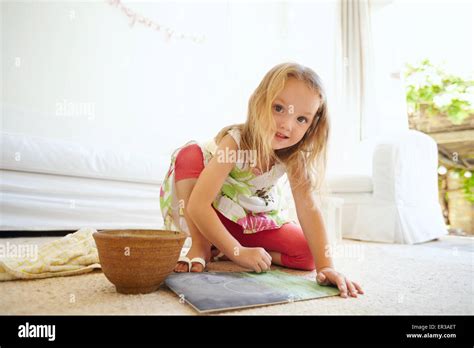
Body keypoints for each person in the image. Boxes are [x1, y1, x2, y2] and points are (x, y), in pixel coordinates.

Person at [160, 62, 364, 298]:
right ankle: (202, 245)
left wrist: (326, 266)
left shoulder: (294, 156)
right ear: (259, 103)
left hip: (248, 218)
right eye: (279, 108)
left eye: (301, 119)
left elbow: (309, 208)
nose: (287, 124)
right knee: (190, 154)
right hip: (208, 211)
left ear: (312, 126)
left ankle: (225, 247)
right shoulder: (235, 141)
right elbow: (197, 205)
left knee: (307, 254)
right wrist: (237, 252)